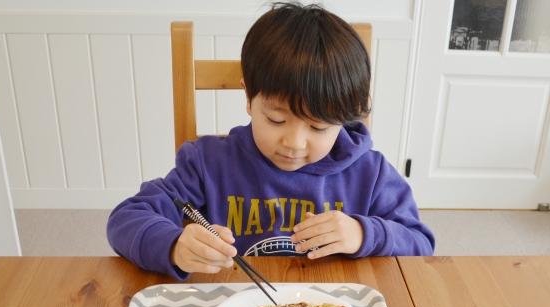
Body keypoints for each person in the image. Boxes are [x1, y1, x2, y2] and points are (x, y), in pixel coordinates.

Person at [107, 1, 434, 280]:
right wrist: (174, 244)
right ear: (248, 98)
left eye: (318, 128)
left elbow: (420, 243)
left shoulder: (370, 174)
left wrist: (365, 234)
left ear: (345, 118)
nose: (294, 142)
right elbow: (126, 218)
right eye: (276, 120)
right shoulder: (207, 163)